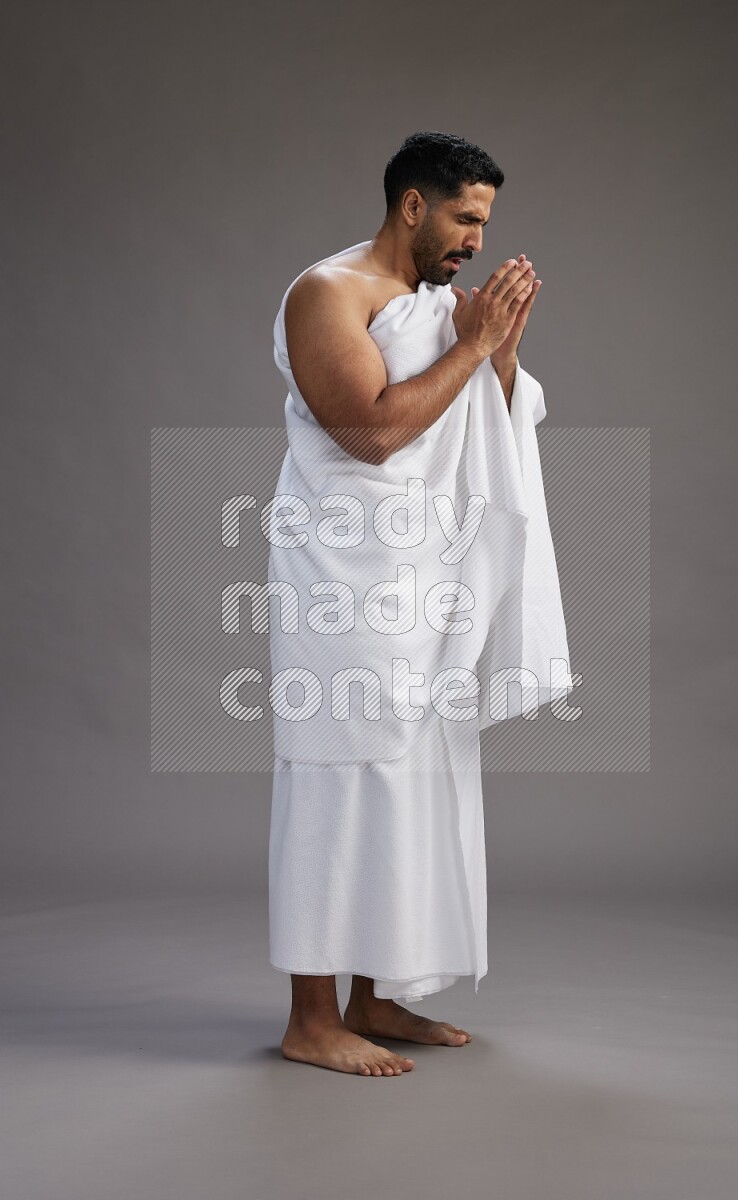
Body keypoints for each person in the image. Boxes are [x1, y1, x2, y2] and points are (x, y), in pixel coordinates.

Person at [267, 131, 570, 1076]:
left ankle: (376, 996)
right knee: (336, 773)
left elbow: (487, 421)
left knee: (414, 777)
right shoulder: (330, 294)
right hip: (340, 582)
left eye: (485, 220)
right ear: (412, 205)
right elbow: (369, 432)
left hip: (426, 578)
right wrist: (475, 341)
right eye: (466, 218)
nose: (478, 239)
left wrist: (499, 354)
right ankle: (310, 1017)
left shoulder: (436, 305)